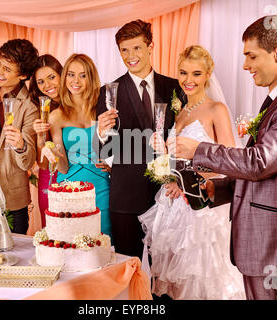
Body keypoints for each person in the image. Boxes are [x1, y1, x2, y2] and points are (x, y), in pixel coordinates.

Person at [167, 15, 277, 300]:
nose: (245, 65)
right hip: (262, 243)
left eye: (251, 56)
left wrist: (197, 150)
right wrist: (219, 188)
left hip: (276, 245)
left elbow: (259, 162)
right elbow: (267, 172)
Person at [139, 45, 245, 300]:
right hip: (173, 207)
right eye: (183, 73)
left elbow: (231, 163)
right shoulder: (179, 112)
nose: (188, 80)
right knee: (175, 282)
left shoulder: (215, 109)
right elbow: (180, 157)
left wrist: (187, 182)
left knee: (201, 278)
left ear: (208, 74)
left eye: (196, 74)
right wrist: (162, 150)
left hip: (201, 209)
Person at [93, 19, 180, 259]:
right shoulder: (109, 91)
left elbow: (182, 137)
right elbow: (105, 152)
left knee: (166, 274)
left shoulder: (175, 87)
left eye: (137, 48)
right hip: (126, 196)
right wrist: (101, 133)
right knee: (128, 268)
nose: (131, 55)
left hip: (166, 195)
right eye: (124, 50)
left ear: (150, 46)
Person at [41, 53, 112, 240]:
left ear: (91, 78)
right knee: (74, 245)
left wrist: (112, 163)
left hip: (103, 186)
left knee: (104, 243)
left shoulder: (103, 109)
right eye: (71, 74)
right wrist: (53, 153)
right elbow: (63, 167)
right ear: (64, 78)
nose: (76, 81)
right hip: (70, 190)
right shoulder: (57, 116)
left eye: (83, 75)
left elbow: (117, 146)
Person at [0, 39, 39, 234]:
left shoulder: (29, 105)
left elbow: (28, 162)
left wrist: (21, 144)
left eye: (7, 69)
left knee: (12, 258)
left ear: (23, 75)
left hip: (11, 197)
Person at [29, 54, 63, 227]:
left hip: (77, 175)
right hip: (50, 177)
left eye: (51, 77)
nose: (47, 85)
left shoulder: (79, 104)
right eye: (41, 82)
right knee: (51, 230)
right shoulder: (40, 111)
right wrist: (40, 136)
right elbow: (42, 164)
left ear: (61, 75)